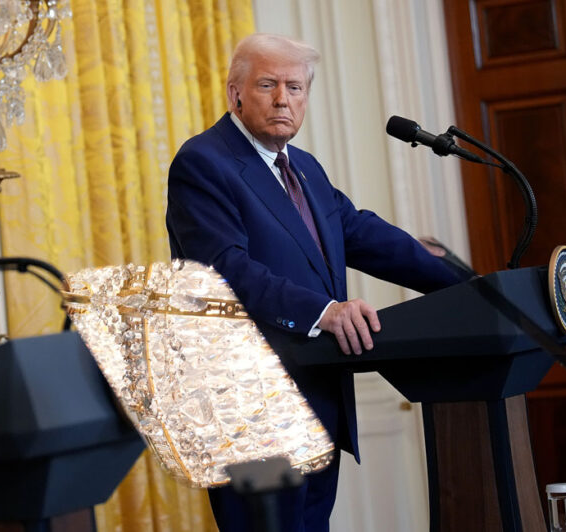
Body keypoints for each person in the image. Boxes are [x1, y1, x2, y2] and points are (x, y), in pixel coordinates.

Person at [166, 34, 469, 531]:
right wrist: (325, 312)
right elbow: (226, 272)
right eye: (267, 85)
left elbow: (364, 233)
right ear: (235, 93)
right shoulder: (204, 163)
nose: (283, 99)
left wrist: (466, 283)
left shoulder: (304, 168)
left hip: (318, 401)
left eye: (295, 87)